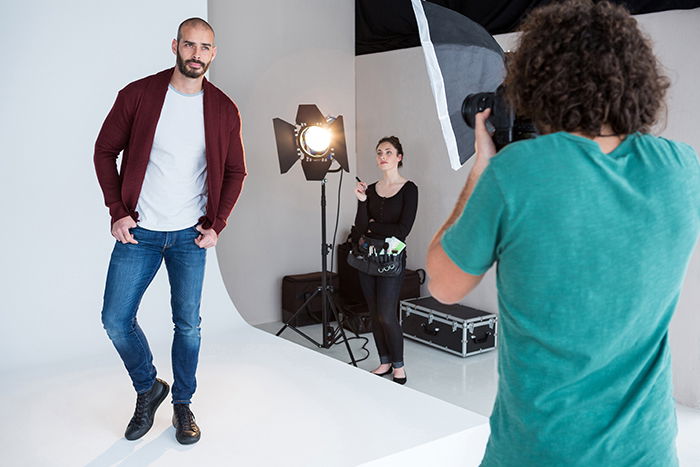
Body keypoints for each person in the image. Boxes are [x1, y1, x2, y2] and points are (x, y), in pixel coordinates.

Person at [426, 1, 699, 466]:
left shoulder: (515, 174)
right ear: (636, 79)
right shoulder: (681, 168)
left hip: (539, 451)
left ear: (538, 79)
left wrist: (481, 169)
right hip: (647, 450)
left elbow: (444, 286)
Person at [94, 17, 246, 445]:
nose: (197, 54)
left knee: (189, 325)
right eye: (190, 45)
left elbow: (236, 170)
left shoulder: (222, 108)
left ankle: (182, 404)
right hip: (138, 232)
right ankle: (149, 388)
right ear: (175, 46)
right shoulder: (139, 95)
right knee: (115, 319)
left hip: (189, 236)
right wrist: (117, 210)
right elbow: (105, 151)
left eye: (205, 48)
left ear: (213, 54)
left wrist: (218, 224)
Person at [353, 136, 418, 384]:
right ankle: (384, 361)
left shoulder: (409, 189)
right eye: (379, 152)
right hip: (367, 258)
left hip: (391, 261)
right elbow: (360, 228)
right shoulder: (369, 189)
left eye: (388, 152)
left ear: (399, 157)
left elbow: (402, 230)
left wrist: (373, 226)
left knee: (387, 314)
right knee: (373, 312)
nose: (383, 156)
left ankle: (399, 366)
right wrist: (361, 203)